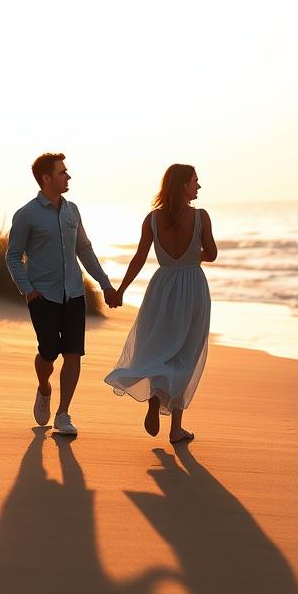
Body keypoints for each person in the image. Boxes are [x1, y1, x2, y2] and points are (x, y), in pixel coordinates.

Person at [6, 153, 120, 436]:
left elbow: (84, 249)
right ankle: (44, 388)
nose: (68, 177)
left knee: (73, 354)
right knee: (48, 353)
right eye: (62, 173)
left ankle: (63, 413)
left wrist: (105, 284)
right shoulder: (26, 214)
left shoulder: (73, 211)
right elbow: (12, 257)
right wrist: (28, 291)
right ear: (46, 178)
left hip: (74, 293)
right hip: (42, 296)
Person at [104, 164, 217, 443]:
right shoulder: (201, 217)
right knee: (186, 354)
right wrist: (193, 256)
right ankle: (176, 428)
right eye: (195, 181)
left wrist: (120, 290)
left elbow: (139, 259)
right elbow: (212, 254)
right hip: (192, 288)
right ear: (183, 185)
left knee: (160, 348)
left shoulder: (152, 220)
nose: (198, 187)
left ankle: (156, 394)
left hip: (161, 288)